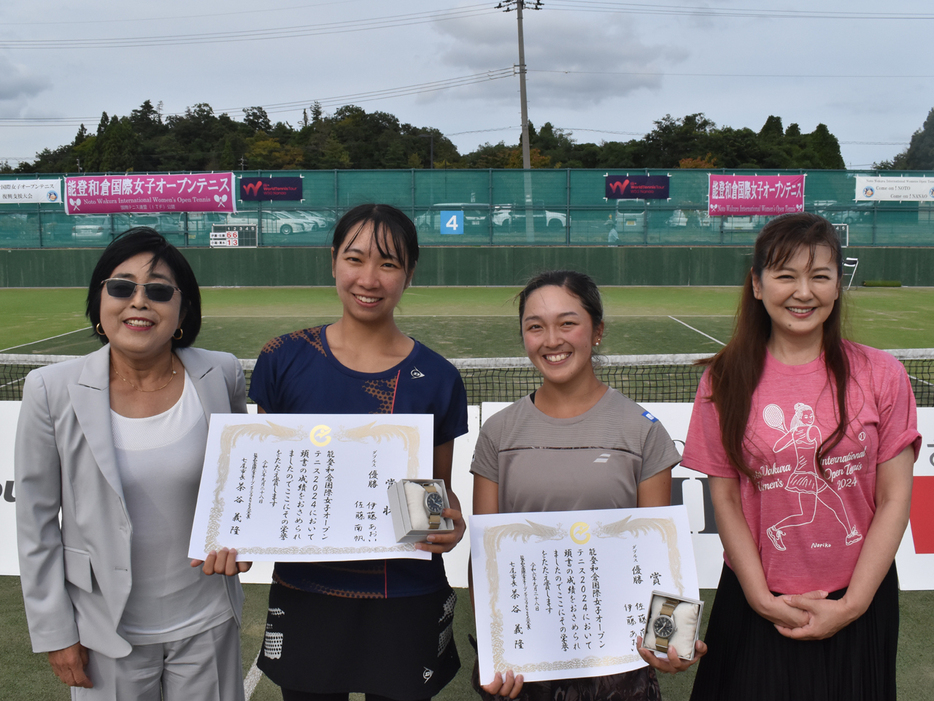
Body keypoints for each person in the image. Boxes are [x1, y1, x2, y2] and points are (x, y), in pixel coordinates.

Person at [682, 212, 920, 701]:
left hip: (861, 601)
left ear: (838, 286)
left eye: (820, 276)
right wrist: (759, 597)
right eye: (786, 275)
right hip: (755, 600)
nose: (803, 292)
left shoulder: (882, 373)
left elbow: (895, 499)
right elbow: (724, 499)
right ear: (757, 284)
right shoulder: (723, 379)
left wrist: (852, 605)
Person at [15, 227, 250, 700]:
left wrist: (241, 536)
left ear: (183, 310)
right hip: (105, 632)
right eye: (122, 287)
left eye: (159, 291)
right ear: (100, 300)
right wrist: (56, 631)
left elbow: (239, 484)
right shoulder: (49, 389)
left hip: (207, 625)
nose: (139, 302)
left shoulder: (220, 373)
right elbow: (36, 521)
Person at [249, 203, 469, 701]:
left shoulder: (437, 377)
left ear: (409, 274)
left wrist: (449, 524)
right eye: (355, 259)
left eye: (388, 264)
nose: (369, 278)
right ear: (333, 261)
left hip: (405, 595)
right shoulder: (283, 358)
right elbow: (270, 481)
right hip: (309, 591)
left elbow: (438, 495)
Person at [470, 269, 706, 701]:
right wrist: (493, 652)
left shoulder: (642, 431)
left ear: (597, 331)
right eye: (535, 327)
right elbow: (486, 557)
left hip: (620, 669)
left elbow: (658, 554)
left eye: (567, 323)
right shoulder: (498, 433)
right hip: (528, 669)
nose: (551, 340)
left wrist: (671, 641)